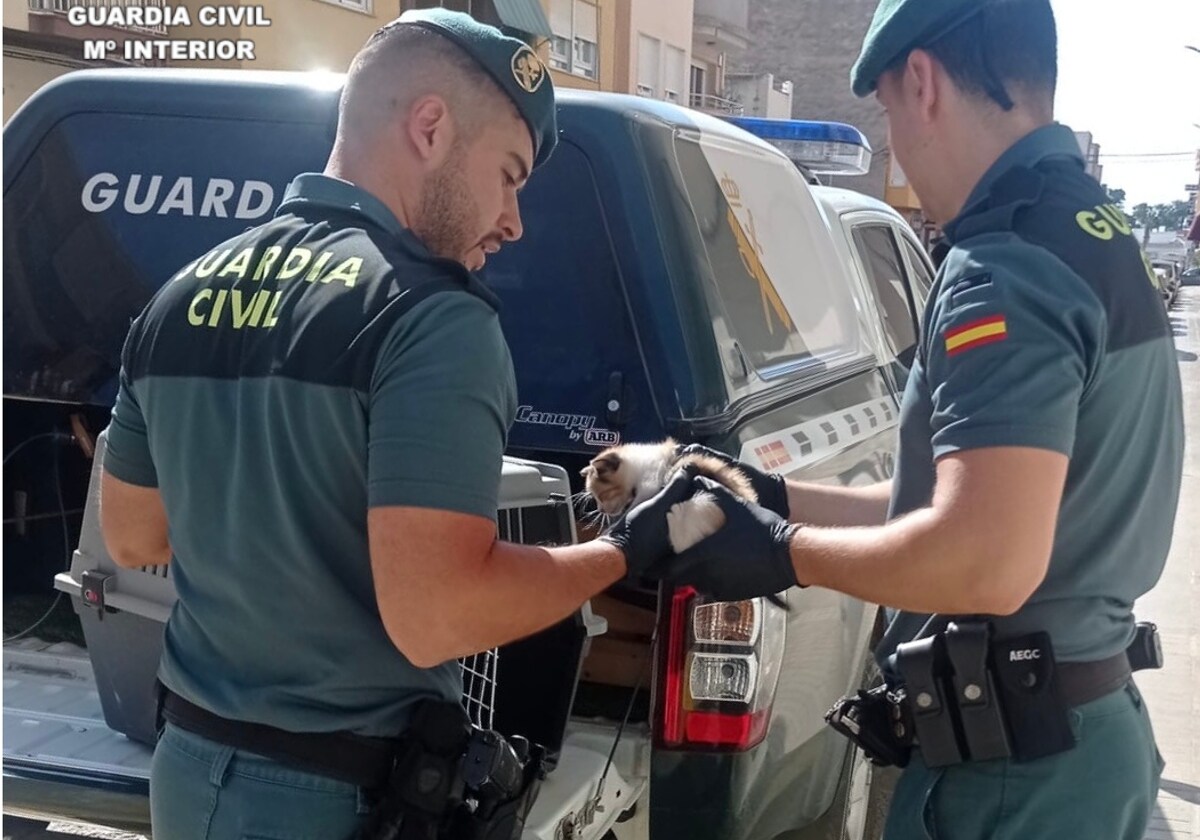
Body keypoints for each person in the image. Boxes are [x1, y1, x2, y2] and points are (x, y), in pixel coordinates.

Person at [97, 10, 685, 839]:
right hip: (341, 799)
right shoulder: (433, 318)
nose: (513, 219)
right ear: (432, 127)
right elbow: (437, 615)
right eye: (510, 175)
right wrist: (622, 552)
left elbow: (131, 537)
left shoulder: (179, 297)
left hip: (189, 774)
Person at [655, 1, 1184, 837]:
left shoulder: (1003, 269)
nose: (896, 140)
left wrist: (784, 555)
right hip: (1071, 745)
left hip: (1012, 778)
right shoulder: (1089, 231)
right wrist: (768, 497)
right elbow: (951, 511)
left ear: (923, 83)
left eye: (889, 110)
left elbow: (983, 560)